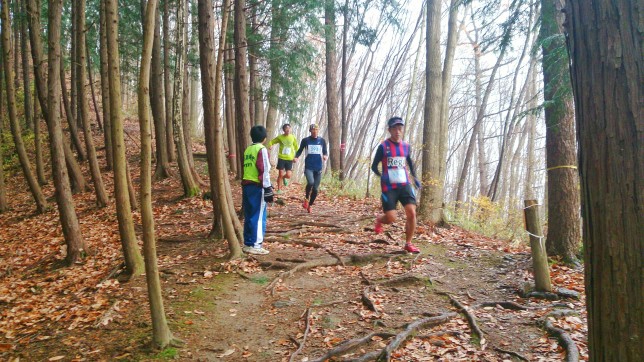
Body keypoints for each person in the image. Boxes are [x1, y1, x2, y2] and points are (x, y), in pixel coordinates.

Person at [371, 117, 422, 253]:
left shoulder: (406, 146)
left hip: (404, 185)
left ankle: (408, 243)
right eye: (394, 128)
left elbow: (410, 162)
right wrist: (382, 176)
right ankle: (379, 220)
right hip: (389, 188)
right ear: (389, 130)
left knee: (411, 213)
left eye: (400, 128)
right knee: (391, 218)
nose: (398, 131)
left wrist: (415, 178)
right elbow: (374, 166)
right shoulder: (383, 147)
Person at [242, 125, 274, 255]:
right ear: (264, 138)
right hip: (257, 186)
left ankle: (248, 243)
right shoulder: (261, 150)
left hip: (246, 185)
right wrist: (268, 188)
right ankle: (256, 244)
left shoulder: (248, 149)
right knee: (259, 215)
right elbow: (264, 169)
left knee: (249, 215)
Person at [294, 124, 328, 213]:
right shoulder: (306, 140)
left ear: (318, 130)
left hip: (318, 167)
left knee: (316, 189)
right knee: (311, 182)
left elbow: (325, 151)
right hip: (309, 166)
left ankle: (310, 205)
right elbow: (300, 150)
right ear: (310, 131)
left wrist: (325, 156)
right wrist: (296, 157)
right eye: (313, 130)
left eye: (316, 130)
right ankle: (306, 198)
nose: (315, 131)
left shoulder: (322, 141)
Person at [268, 124, 298, 193]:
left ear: (291, 129)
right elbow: (272, 141)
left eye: (289, 129)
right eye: (286, 129)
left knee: (288, 175)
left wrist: (296, 157)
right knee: (280, 174)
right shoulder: (280, 137)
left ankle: (284, 178)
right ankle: (279, 189)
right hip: (281, 158)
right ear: (284, 130)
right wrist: (270, 145)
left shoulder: (293, 137)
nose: (288, 130)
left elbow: (296, 148)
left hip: (289, 159)